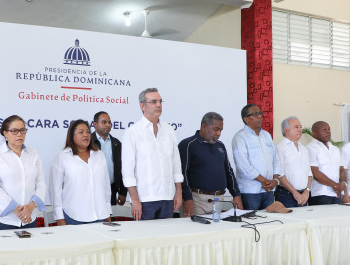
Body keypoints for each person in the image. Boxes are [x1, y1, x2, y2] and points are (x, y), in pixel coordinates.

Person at [122, 87, 183, 220]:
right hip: (144, 199)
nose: (158, 105)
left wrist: (178, 191)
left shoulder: (169, 130)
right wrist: (135, 199)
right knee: (145, 234)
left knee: (167, 233)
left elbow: (176, 163)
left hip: (168, 197)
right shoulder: (133, 132)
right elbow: (127, 171)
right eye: (153, 102)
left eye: (160, 101)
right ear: (142, 106)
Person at [0, 115, 46, 230]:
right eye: (14, 131)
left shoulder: (33, 154)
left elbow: (40, 183)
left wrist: (30, 207)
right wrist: (17, 210)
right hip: (4, 218)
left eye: (22, 130)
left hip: (29, 215)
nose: (19, 134)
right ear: (5, 133)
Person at [178, 112, 241, 217]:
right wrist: (188, 198)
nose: (219, 133)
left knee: (216, 228)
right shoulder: (188, 144)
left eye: (221, 130)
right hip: (196, 200)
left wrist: (236, 194)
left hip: (218, 200)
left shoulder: (220, 145)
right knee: (196, 227)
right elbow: (182, 174)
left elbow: (228, 171)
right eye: (216, 129)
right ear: (204, 126)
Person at [51, 119, 111, 225]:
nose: (86, 135)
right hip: (73, 216)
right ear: (72, 136)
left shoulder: (99, 155)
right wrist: (59, 218)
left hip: (100, 215)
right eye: (81, 132)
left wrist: (108, 211)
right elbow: (55, 190)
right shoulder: (62, 157)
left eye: (88, 132)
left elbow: (106, 186)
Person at [232, 103, 282, 211]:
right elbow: (243, 165)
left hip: (268, 190)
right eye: (255, 114)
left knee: (269, 220)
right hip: (250, 192)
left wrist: (275, 180)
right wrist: (264, 180)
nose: (260, 116)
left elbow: (275, 159)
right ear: (246, 119)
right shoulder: (240, 137)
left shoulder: (266, 135)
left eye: (260, 113)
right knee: (251, 221)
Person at [274, 116, 312, 208]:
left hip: (303, 195)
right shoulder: (280, 147)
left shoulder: (304, 149)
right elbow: (279, 174)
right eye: (296, 127)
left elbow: (309, 172)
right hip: (286, 194)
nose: (300, 130)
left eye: (300, 127)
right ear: (286, 130)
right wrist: (295, 192)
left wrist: (307, 191)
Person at [91, 111, 127, 206]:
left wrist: (123, 192)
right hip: (91, 191)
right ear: (95, 124)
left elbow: (123, 168)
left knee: (109, 215)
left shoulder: (117, 143)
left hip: (112, 191)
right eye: (104, 122)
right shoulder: (88, 142)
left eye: (109, 122)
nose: (108, 125)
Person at [306, 121, 344, 205]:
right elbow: (315, 173)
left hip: (336, 193)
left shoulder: (335, 149)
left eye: (329, 129)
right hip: (320, 193)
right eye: (324, 130)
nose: (328, 132)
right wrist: (335, 185)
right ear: (315, 133)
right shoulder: (310, 148)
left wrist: (342, 184)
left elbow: (341, 169)